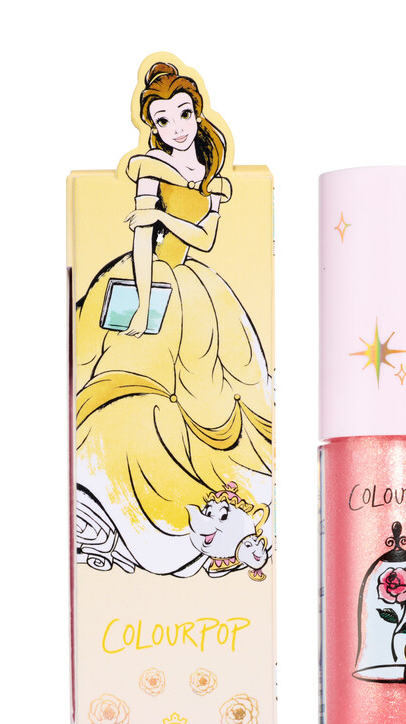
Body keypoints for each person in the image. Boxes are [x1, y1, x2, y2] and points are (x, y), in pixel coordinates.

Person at [74, 62, 273, 577]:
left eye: (183, 114)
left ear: (196, 112)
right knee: (130, 372)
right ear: (153, 126)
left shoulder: (212, 171)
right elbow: (142, 242)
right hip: (152, 278)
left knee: (217, 377)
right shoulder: (148, 167)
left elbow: (204, 239)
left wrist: (167, 215)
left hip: (196, 283)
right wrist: (143, 300)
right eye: (163, 120)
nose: (176, 128)